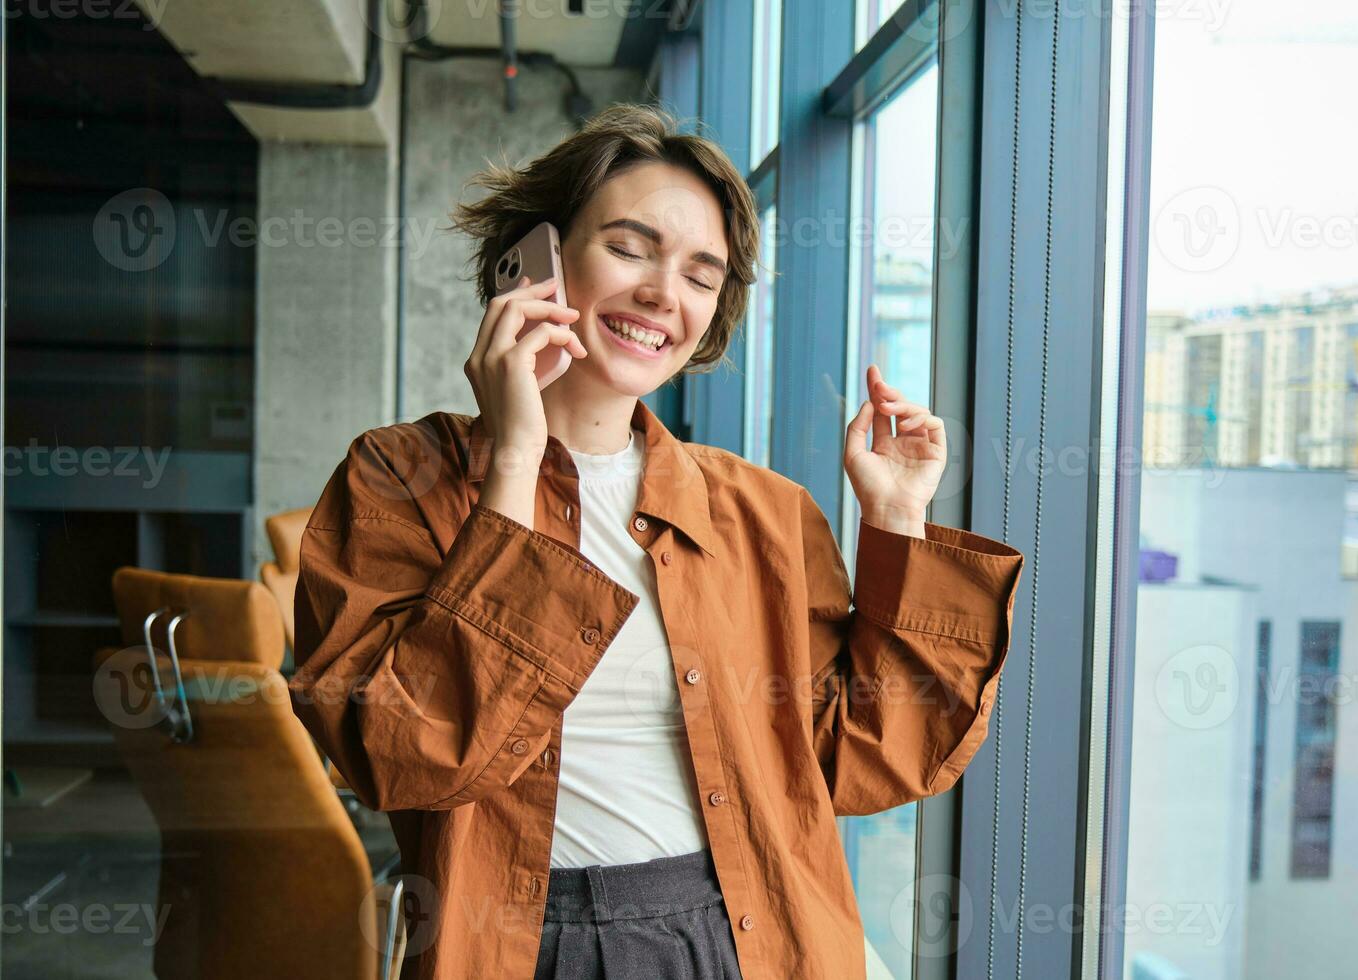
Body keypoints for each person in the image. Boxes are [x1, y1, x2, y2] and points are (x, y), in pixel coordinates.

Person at [288, 102, 1025, 980]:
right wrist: (515, 457)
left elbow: (864, 758)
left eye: (701, 275)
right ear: (538, 259)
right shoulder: (397, 477)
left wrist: (898, 521)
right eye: (630, 248)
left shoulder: (764, 511)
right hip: (519, 942)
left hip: (741, 935)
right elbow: (397, 756)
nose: (662, 294)